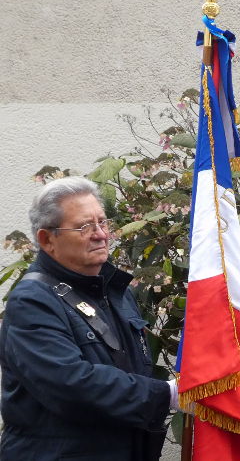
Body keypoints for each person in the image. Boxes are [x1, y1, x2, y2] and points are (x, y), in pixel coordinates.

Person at [0, 177, 180, 461]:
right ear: (47, 240)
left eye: (103, 222)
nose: (101, 234)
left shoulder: (114, 289)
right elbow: (72, 385)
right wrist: (166, 395)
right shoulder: (32, 301)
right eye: (85, 226)